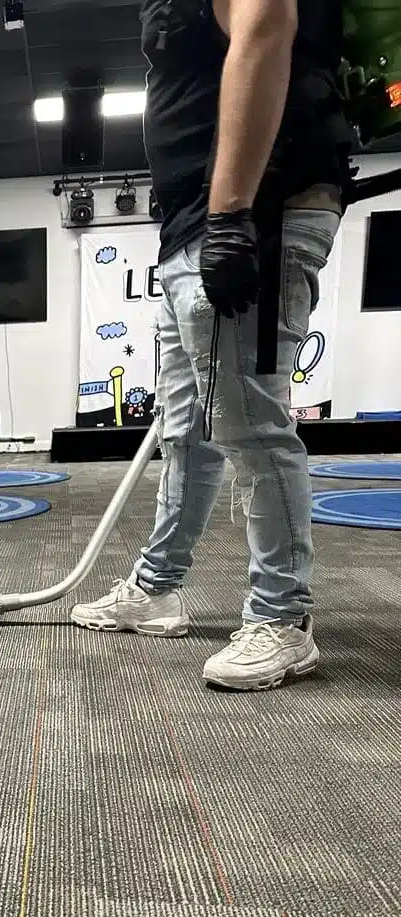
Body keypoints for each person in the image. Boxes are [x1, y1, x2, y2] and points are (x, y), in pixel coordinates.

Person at [71, 0, 356, 691]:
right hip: (190, 228)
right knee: (184, 434)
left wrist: (231, 214)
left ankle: (283, 621)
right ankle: (156, 588)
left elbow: (264, 34)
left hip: (251, 210)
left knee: (251, 429)